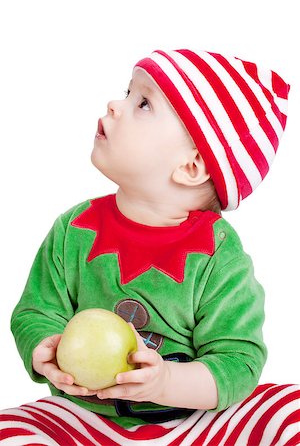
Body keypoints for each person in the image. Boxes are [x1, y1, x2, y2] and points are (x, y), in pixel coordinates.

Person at [1, 49, 299, 445]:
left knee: (290, 406)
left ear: (191, 167)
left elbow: (237, 363)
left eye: (142, 103)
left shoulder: (218, 253)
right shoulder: (74, 229)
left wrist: (164, 382)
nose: (115, 104)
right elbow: (37, 311)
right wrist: (43, 347)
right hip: (86, 418)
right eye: (128, 92)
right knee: (11, 428)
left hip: (198, 424)